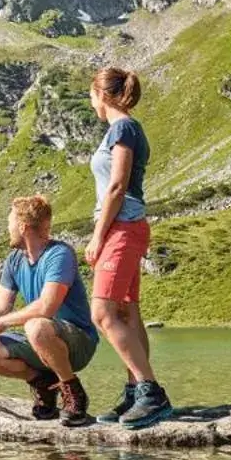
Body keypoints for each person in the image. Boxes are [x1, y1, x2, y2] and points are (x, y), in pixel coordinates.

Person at [0, 194, 97, 426]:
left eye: (10, 223)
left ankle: (73, 392)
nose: (7, 228)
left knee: (36, 325)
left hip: (78, 342)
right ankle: (44, 384)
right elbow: (1, 309)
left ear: (22, 227)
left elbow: (46, 306)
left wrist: (3, 324)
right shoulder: (14, 260)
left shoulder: (60, 254)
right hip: (41, 341)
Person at [83, 66, 173, 428]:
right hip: (128, 227)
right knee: (126, 313)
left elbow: (117, 186)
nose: (91, 103)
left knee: (102, 313)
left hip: (122, 226)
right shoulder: (125, 129)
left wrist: (97, 235)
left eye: (91, 95)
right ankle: (137, 389)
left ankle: (151, 392)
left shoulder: (122, 128)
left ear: (103, 95)